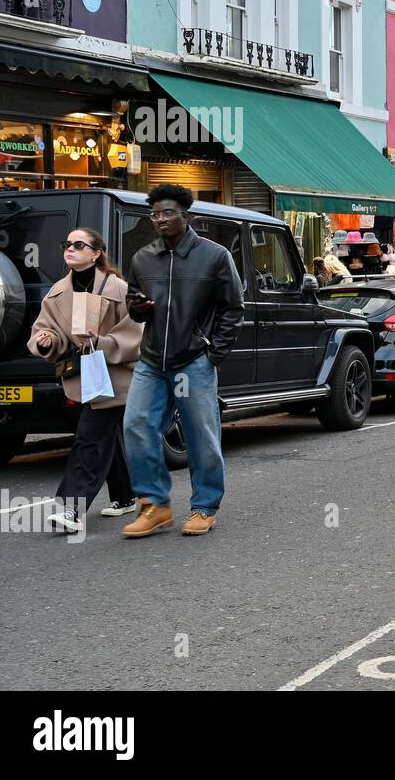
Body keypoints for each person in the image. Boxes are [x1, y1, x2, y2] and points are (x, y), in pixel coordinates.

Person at [120, 184, 244, 539]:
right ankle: (154, 505)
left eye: (167, 213)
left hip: (192, 361)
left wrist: (213, 352)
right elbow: (134, 306)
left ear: (186, 216)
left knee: (199, 434)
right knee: (136, 425)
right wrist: (138, 307)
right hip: (151, 360)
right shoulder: (142, 257)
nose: (160, 219)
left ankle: (205, 506)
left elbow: (233, 308)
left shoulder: (215, 256)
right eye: (155, 214)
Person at [28, 229, 142, 533]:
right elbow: (45, 330)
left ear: (96, 253)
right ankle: (125, 496)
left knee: (90, 438)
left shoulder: (118, 288)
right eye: (67, 244)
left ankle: (71, 509)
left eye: (79, 245)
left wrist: (102, 342)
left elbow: (136, 332)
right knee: (104, 436)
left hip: (114, 376)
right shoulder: (57, 292)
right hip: (81, 377)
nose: (70, 248)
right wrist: (46, 340)